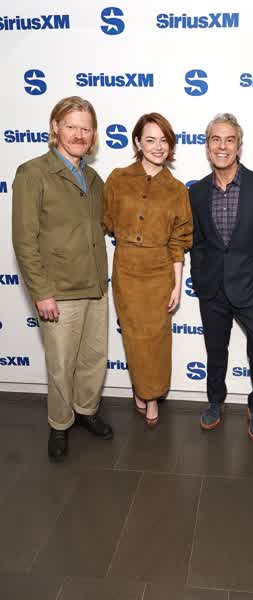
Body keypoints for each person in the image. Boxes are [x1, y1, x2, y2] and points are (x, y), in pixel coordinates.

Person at [12, 96, 112, 463]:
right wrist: (41, 292)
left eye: (86, 128)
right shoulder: (33, 173)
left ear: (94, 134)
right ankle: (60, 423)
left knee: (94, 358)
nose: (79, 135)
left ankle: (86, 411)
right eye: (71, 126)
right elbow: (24, 240)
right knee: (60, 364)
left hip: (95, 285)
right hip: (58, 290)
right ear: (56, 127)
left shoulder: (95, 178)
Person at [189, 113, 253, 442]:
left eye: (229, 140)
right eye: (216, 139)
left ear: (239, 146)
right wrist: (200, 278)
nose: (222, 146)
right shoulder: (197, 192)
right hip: (212, 289)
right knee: (215, 352)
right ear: (207, 147)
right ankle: (215, 401)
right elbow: (197, 243)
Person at [103, 113, 193, 426]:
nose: (158, 147)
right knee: (133, 335)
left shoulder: (177, 189)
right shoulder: (117, 179)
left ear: (171, 145)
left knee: (156, 337)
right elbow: (107, 220)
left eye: (163, 140)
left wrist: (177, 284)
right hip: (126, 269)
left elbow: (179, 240)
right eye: (150, 139)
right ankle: (141, 388)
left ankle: (151, 395)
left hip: (159, 273)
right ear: (138, 142)